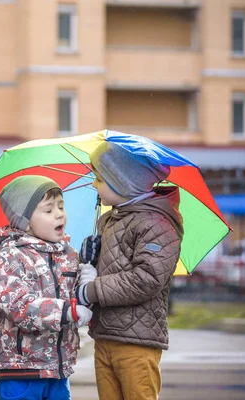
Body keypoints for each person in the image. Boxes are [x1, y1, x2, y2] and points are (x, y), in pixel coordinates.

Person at [75, 142, 184, 400]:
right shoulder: (109, 220)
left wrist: (92, 289)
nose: (94, 185)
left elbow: (146, 279)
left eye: (99, 179)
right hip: (105, 336)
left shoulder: (155, 223)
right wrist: (89, 259)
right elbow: (111, 267)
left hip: (137, 342)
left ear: (122, 183)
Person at [0, 175, 96, 400]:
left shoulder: (68, 255)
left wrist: (88, 280)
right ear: (24, 220)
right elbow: (18, 306)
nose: (59, 214)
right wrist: (69, 311)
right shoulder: (11, 256)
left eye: (61, 207)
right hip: (21, 370)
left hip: (57, 369)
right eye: (48, 210)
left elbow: (76, 302)